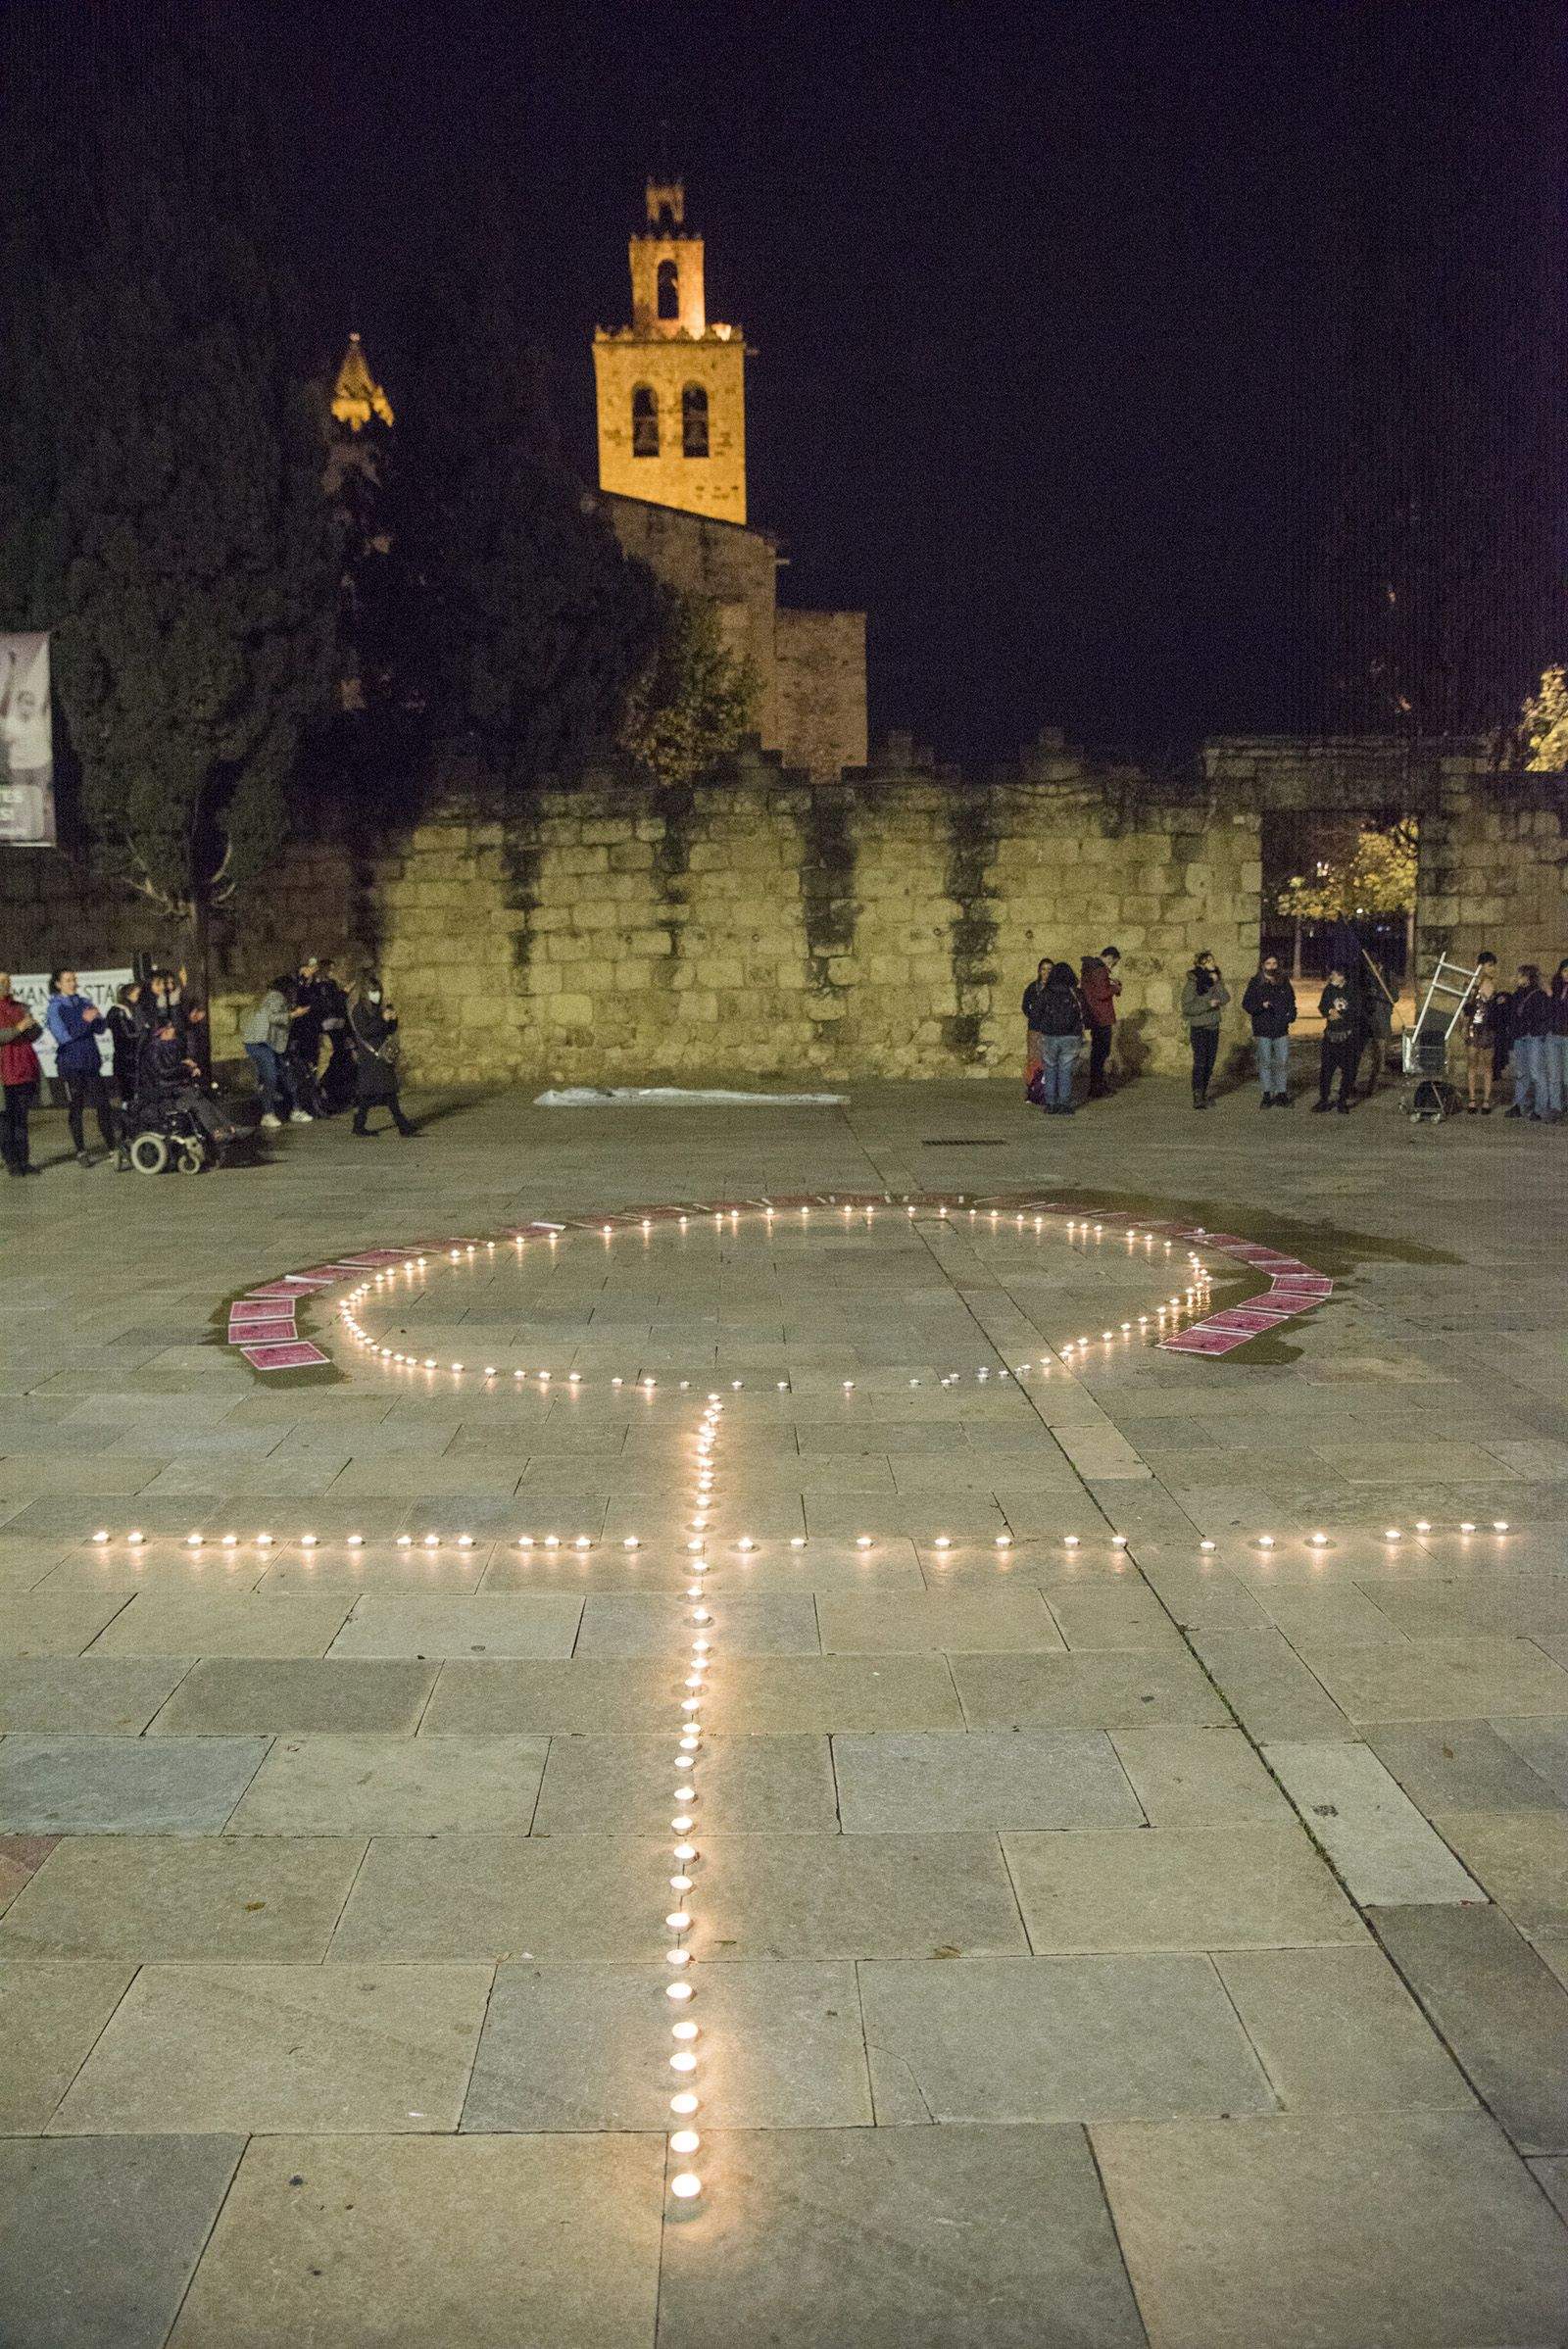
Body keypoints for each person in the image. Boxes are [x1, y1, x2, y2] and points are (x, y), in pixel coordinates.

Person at [45, 971, 116, 1164]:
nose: (73, 983)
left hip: (91, 1062)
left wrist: (98, 1018)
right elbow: (64, 1037)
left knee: (103, 1105)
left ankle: (112, 1147)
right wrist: (85, 1020)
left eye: (74, 979)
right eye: (68, 980)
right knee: (76, 1107)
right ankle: (81, 1151)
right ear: (58, 984)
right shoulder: (55, 1008)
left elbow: (100, 1029)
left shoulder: (84, 1001)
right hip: (71, 1065)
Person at [349, 975, 416, 1137]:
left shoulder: (377, 1009)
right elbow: (366, 1031)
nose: (376, 995)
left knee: (385, 1092)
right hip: (371, 1057)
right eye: (373, 992)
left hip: (381, 1056)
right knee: (376, 1093)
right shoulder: (359, 1009)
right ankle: (402, 1125)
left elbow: (388, 1030)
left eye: (378, 991)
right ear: (366, 992)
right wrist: (382, 1019)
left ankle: (399, 1125)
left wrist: (392, 1019)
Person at [0, 973, 43, 1177]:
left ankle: (24, 1160)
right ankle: (12, 1162)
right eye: (1, 981)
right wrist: (18, 1028)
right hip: (3, 1074)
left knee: (21, 1118)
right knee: (5, 1121)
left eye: (7, 981)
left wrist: (33, 1026)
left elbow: (35, 1033)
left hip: (23, 1069)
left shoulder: (19, 1006)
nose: (6, 985)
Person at [1030, 960, 1085, 1116]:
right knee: (1066, 1070)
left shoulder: (1046, 992)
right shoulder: (1075, 992)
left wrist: (1041, 1027)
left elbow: (1035, 1014)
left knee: (1050, 1069)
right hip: (1071, 1037)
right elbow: (1084, 1012)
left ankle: (1051, 1104)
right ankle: (1064, 1104)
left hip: (1050, 1036)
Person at [1242, 953, 1298, 1105]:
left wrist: (1290, 1016)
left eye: (1274, 963)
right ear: (1263, 965)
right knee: (1265, 1062)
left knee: (1282, 1061)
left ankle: (1281, 1092)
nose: (1272, 967)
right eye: (1268, 964)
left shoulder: (1283, 981)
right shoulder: (1255, 983)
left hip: (1280, 1028)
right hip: (1263, 1028)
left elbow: (1291, 1001)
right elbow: (1246, 1004)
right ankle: (1266, 1094)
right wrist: (1261, 1006)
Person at [241, 978, 298, 1128]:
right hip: (260, 1043)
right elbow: (271, 1017)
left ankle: (279, 1106)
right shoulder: (276, 996)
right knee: (270, 1077)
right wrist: (293, 1015)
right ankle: (268, 1113)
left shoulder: (273, 997)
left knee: (277, 1074)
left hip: (264, 1042)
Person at [1179, 951, 1229, 1109]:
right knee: (1200, 1061)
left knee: (1210, 1062)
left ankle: (1204, 1092)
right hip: (1199, 1027)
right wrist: (1208, 1004)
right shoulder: (1193, 982)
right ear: (1200, 965)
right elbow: (1187, 1008)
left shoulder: (1215, 980)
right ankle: (1197, 1095)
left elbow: (1226, 998)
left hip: (1213, 1026)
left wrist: (1217, 982)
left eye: (1212, 960)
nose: (1212, 963)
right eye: (1207, 961)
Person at [1503, 965, 1551, 1120]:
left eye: (1519, 975)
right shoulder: (1517, 994)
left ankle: (1540, 1109)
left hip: (1533, 1037)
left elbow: (1541, 1016)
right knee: (1521, 1073)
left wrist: (1534, 1029)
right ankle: (1520, 1104)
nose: (1516, 978)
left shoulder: (1538, 995)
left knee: (1537, 1073)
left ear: (1527, 977)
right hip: (1520, 1037)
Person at [1078, 947, 1121, 1099]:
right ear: (1109, 957)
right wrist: (1116, 987)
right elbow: (1101, 993)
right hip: (1102, 1016)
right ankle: (1097, 1087)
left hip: (1094, 1015)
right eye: (1113, 963)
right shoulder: (1099, 970)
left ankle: (1097, 1086)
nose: (1112, 966)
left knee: (1097, 1053)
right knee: (1101, 1053)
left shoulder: (1090, 968)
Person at [1313, 967, 1357, 1113]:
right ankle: (1323, 1100)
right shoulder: (1329, 990)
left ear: (1342, 976)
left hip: (1347, 1036)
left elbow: (1357, 1010)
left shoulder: (1352, 990)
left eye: (1334, 974)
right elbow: (1322, 1006)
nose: (1331, 977)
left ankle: (1342, 1101)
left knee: (1348, 1071)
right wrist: (1329, 1011)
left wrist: (1341, 1014)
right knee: (1326, 1070)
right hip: (1331, 1035)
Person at [317, 958, 356, 1114]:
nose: (331, 972)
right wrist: (344, 993)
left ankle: (342, 1096)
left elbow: (340, 1007)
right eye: (329, 969)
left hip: (339, 1026)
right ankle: (326, 1090)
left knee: (344, 1060)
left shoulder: (331, 984)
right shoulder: (319, 986)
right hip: (328, 1028)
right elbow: (329, 1004)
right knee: (334, 1060)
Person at [287, 955, 324, 1118]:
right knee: (300, 1070)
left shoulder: (314, 987)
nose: (310, 972)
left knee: (312, 1068)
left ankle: (314, 1104)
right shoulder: (296, 987)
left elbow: (318, 1004)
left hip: (311, 1032)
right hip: (298, 1033)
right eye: (307, 969)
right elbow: (295, 1002)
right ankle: (302, 1105)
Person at [1461, 971, 1501, 1113]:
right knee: (1472, 1064)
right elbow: (1467, 1010)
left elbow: (1497, 1011)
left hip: (1488, 1032)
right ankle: (1472, 1099)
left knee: (1487, 1066)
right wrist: (1465, 1027)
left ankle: (1486, 1100)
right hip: (1475, 1030)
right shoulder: (1473, 991)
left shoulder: (1494, 992)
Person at [1545, 957, 1568, 1124]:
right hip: (1554, 1035)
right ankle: (1556, 1108)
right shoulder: (1556, 988)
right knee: (1554, 1075)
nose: (1567, 974)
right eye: (1565, 971)